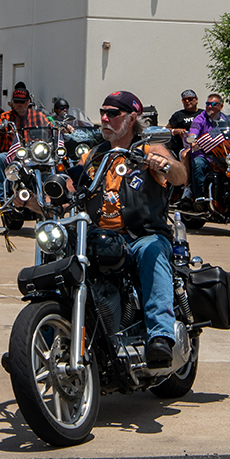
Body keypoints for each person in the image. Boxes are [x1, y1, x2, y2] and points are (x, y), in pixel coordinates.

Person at [77, 90, 186, 367]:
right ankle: (49, 334)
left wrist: (164, 164)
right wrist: (32, 198)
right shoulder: (93, 155)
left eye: (113, 113)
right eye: (103, 112)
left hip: (141, 235)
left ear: (132, 117)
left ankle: (160, 336)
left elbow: (179, 175)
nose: (104, 118)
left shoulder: (147, 148)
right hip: (98, 237)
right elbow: (70, 188)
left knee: (152, 251)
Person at [0, 83, 51, 205]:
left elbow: (51, 127)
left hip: (32, 154)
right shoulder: (6, 116)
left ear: (28, 102)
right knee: (0, 158)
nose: (19, 105)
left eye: (22, 102)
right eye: (17, 101)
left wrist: (64, 128)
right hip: (11, 156)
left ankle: (51, 195)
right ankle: (3, 199)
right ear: (12, 103)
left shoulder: (38, 115)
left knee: (53, 160)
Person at [183, 93, 230, 198]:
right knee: (198, 164)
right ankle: (200, 197)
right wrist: (192, 140)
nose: (210, 106)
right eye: (208, 103)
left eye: (214, 104)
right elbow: (193, 131)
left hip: (223, 155)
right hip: (204, 155)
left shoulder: (227, 120)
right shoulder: (200, 119)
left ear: (221, 106)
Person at [166, 89, 199, 158]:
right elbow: (166, 130)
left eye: (189, 99)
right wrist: (176, 131)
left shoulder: (203, 114)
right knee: (185, 155)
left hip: (201, 145)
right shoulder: (178, 115)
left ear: (196, 100)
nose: (187, 101)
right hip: (184, 147)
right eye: (184, 100)